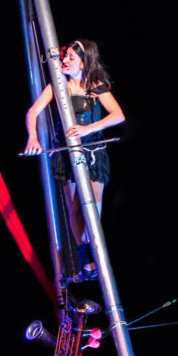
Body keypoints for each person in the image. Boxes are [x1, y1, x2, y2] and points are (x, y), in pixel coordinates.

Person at [22, 39, 125, 282]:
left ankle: (94, 253)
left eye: (71, 57)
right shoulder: (58, 86)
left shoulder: (94, 85)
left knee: (92, 207)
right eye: (65, 56)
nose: (65, 61)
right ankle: (85, 257)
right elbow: (33, 111)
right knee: (75, 209)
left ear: (83, 62)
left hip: (93, 152)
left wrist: (88, 128)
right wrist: (33, 137)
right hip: (67, 153)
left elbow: (118, 115)